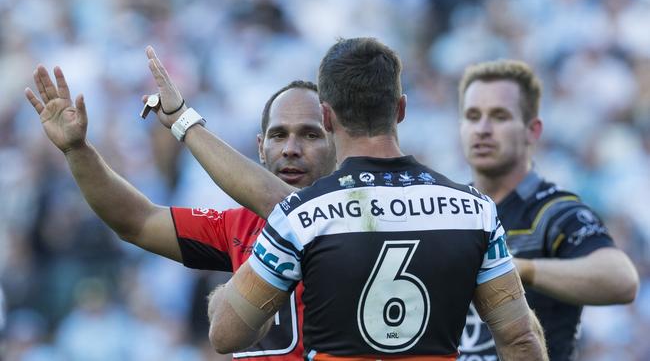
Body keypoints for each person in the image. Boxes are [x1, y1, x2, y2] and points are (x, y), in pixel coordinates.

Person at [201, 37, 548, 360]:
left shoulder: (301, 216)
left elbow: (226, 335)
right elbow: (520, 339)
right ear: (400, 109)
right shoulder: (475, 211)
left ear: (325, 117)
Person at [24, 64, 336, 360]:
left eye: (310, 134)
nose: (291, 148)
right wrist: (77, 151)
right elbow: (136, 221)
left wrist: (182, 120)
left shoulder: (360, 216)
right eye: (279, 135)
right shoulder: (240, 225)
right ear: (260, 147)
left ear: (337, 144)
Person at [456, 59, 639, 361]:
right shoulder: (452, 209)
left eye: (499, 116)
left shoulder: (554, 211)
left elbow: (622, 280)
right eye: (472, 116)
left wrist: (521, 269)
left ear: (532, 130)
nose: (483, 129)